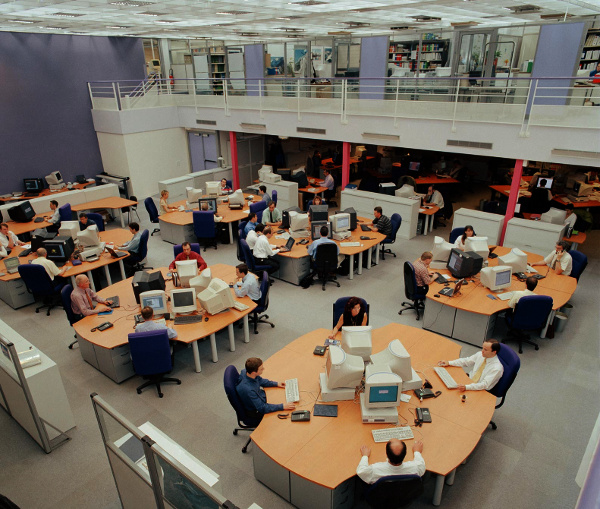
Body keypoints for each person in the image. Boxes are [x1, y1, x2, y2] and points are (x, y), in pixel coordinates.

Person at [438, 339, 504, 392]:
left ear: (494, 352)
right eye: (482, 348)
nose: (482, 351)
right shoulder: (480, 355)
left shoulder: (497, 368)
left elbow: (484, 385)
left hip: (480, 389)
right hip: (468, 380)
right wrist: (449, 362)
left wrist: (466, 387)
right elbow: (466, 361)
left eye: (485, 350)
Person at [356, 439, 426, 485]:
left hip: (381, 497)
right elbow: (421, 464)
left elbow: (361, 471)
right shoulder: (416, 468)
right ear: (405, 454)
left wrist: (365, 456)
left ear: (386, 454)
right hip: (404, 495)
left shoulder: (375, 470)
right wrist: (417, 452)